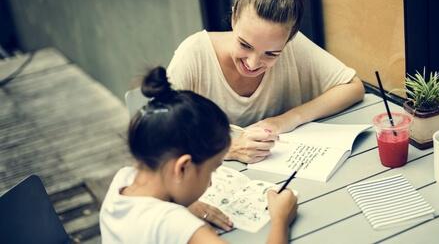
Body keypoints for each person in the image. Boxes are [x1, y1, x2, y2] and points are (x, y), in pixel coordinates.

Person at [99, 67, 298, 244]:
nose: (210, 184)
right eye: (211, 170)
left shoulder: (123, 179)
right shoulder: (173, 223)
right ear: (183, 167)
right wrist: (281, 220)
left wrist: (185, 205)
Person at [167, 0, 365, 164]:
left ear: (289, 39)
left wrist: (287, 120)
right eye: (245, 45)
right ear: (234, 17)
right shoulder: (193, 55)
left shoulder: (293, 48)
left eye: (271, 54)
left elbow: (353, 86)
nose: (253, 64)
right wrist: (229, 149)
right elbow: (159, 138)